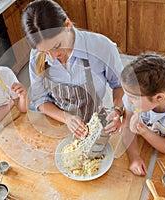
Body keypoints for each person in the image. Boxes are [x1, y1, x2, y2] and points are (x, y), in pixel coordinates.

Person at [21, 0, 124, 138]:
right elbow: (40, 100)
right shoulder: (36, 57)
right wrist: (66, 118)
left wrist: (116, 111)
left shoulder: (102, 47)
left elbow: (120, 86)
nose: (52, 56)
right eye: (45, 52)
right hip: (55, 123)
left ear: (67, 25)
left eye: (56, 45)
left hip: (92, 123)